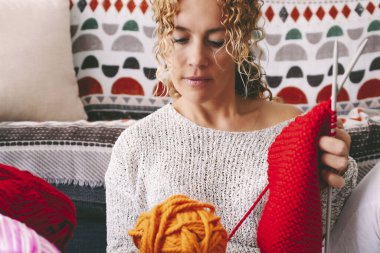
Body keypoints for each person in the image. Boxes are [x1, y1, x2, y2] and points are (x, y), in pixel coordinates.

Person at [105, 0, 358, 251]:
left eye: (216, 41)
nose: (197, 59)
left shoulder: (292, 132)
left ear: (241, 43)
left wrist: (331, 175)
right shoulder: (136, 144)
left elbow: (320, 239)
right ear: (164, 40)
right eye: (181, 39)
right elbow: (121, 248)